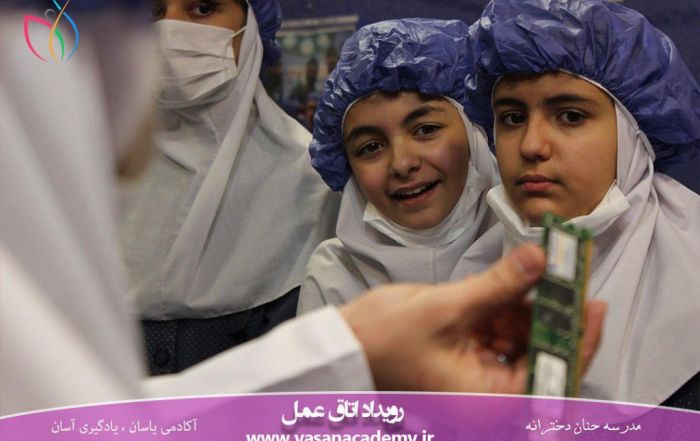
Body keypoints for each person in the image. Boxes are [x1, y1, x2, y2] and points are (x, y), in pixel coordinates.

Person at [0, 1, 606, 416]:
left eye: (204, 8)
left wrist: (357, 353)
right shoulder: (336, 272)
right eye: (148, 14)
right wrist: (358, 356)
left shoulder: (547, 251)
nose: (402, 163)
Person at [463, 0, 700, 409]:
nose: (532, 146)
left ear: (634, 136)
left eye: (571, 116)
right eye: (512, 118)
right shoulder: (464, 287)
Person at [119, 0, 340, 375]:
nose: (171, 29)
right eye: (154, 11)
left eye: (202, 8)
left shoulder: (313, 180)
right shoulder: (95, 176)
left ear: (251, 28)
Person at [298, 19, 501, 313]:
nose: (402, 164)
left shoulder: (530, 247)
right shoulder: (334, 280)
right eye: (371, 147)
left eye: (426, 129)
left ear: (475, 133)